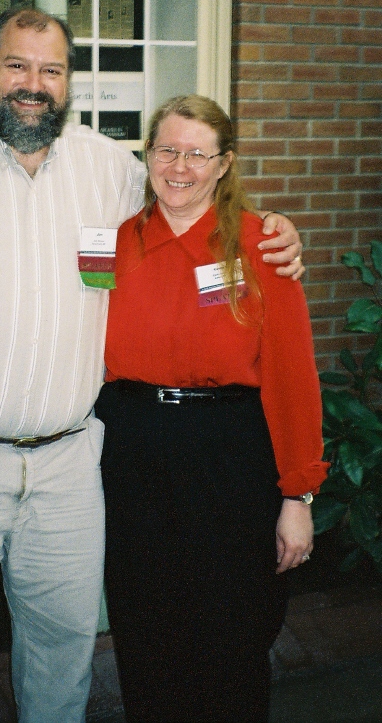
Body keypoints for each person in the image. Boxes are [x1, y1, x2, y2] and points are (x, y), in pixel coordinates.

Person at [0, 8, 303, 723]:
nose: (33, 85)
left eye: (52, 70)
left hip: (70, 466)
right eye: (17, 65)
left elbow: (195, 206)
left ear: (70, 82)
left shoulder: (109, 170)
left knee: (63, 658)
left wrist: (275, 234)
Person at [94, 94, 329, 723]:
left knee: (231, 635)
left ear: (223, 164)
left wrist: (298, 496)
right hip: (133, 450)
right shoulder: (110, 243)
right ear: (147, 155)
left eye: (197, 154)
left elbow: (292, 377)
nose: (179, 166)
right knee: (144, 634)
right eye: (166, 150)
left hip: (230, 455)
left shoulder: (261, 245)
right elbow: (75, 337)